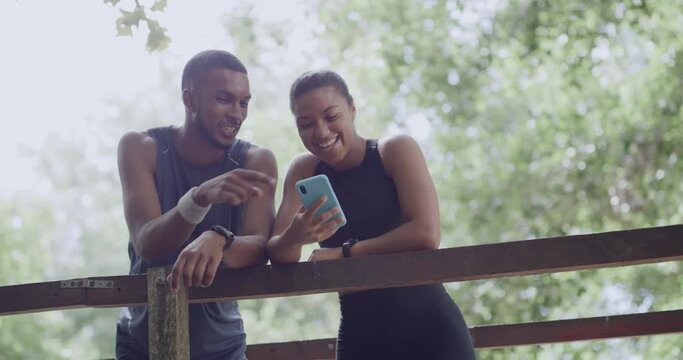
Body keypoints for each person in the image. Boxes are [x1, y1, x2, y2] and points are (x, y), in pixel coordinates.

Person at [266, 70, 476, 359]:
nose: (321, 131)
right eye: (306, 124)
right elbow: (278, 253)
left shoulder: (394, 150)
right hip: (360, 333)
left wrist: (345, 253)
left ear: (352, 109)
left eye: (331, 116)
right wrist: (295, 236)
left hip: (430, 329)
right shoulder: (303, 170)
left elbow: (426, 233)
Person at [115, 49, 277, 359]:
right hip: (141, 344)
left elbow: (260, 248)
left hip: (222, 345)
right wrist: (198, 198)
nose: (237, 113)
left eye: (244, 103)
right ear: (189, 100)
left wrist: (219, 239)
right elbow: (148, 244)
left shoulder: (256, 160)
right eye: (224, 99)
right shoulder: (140, 147)